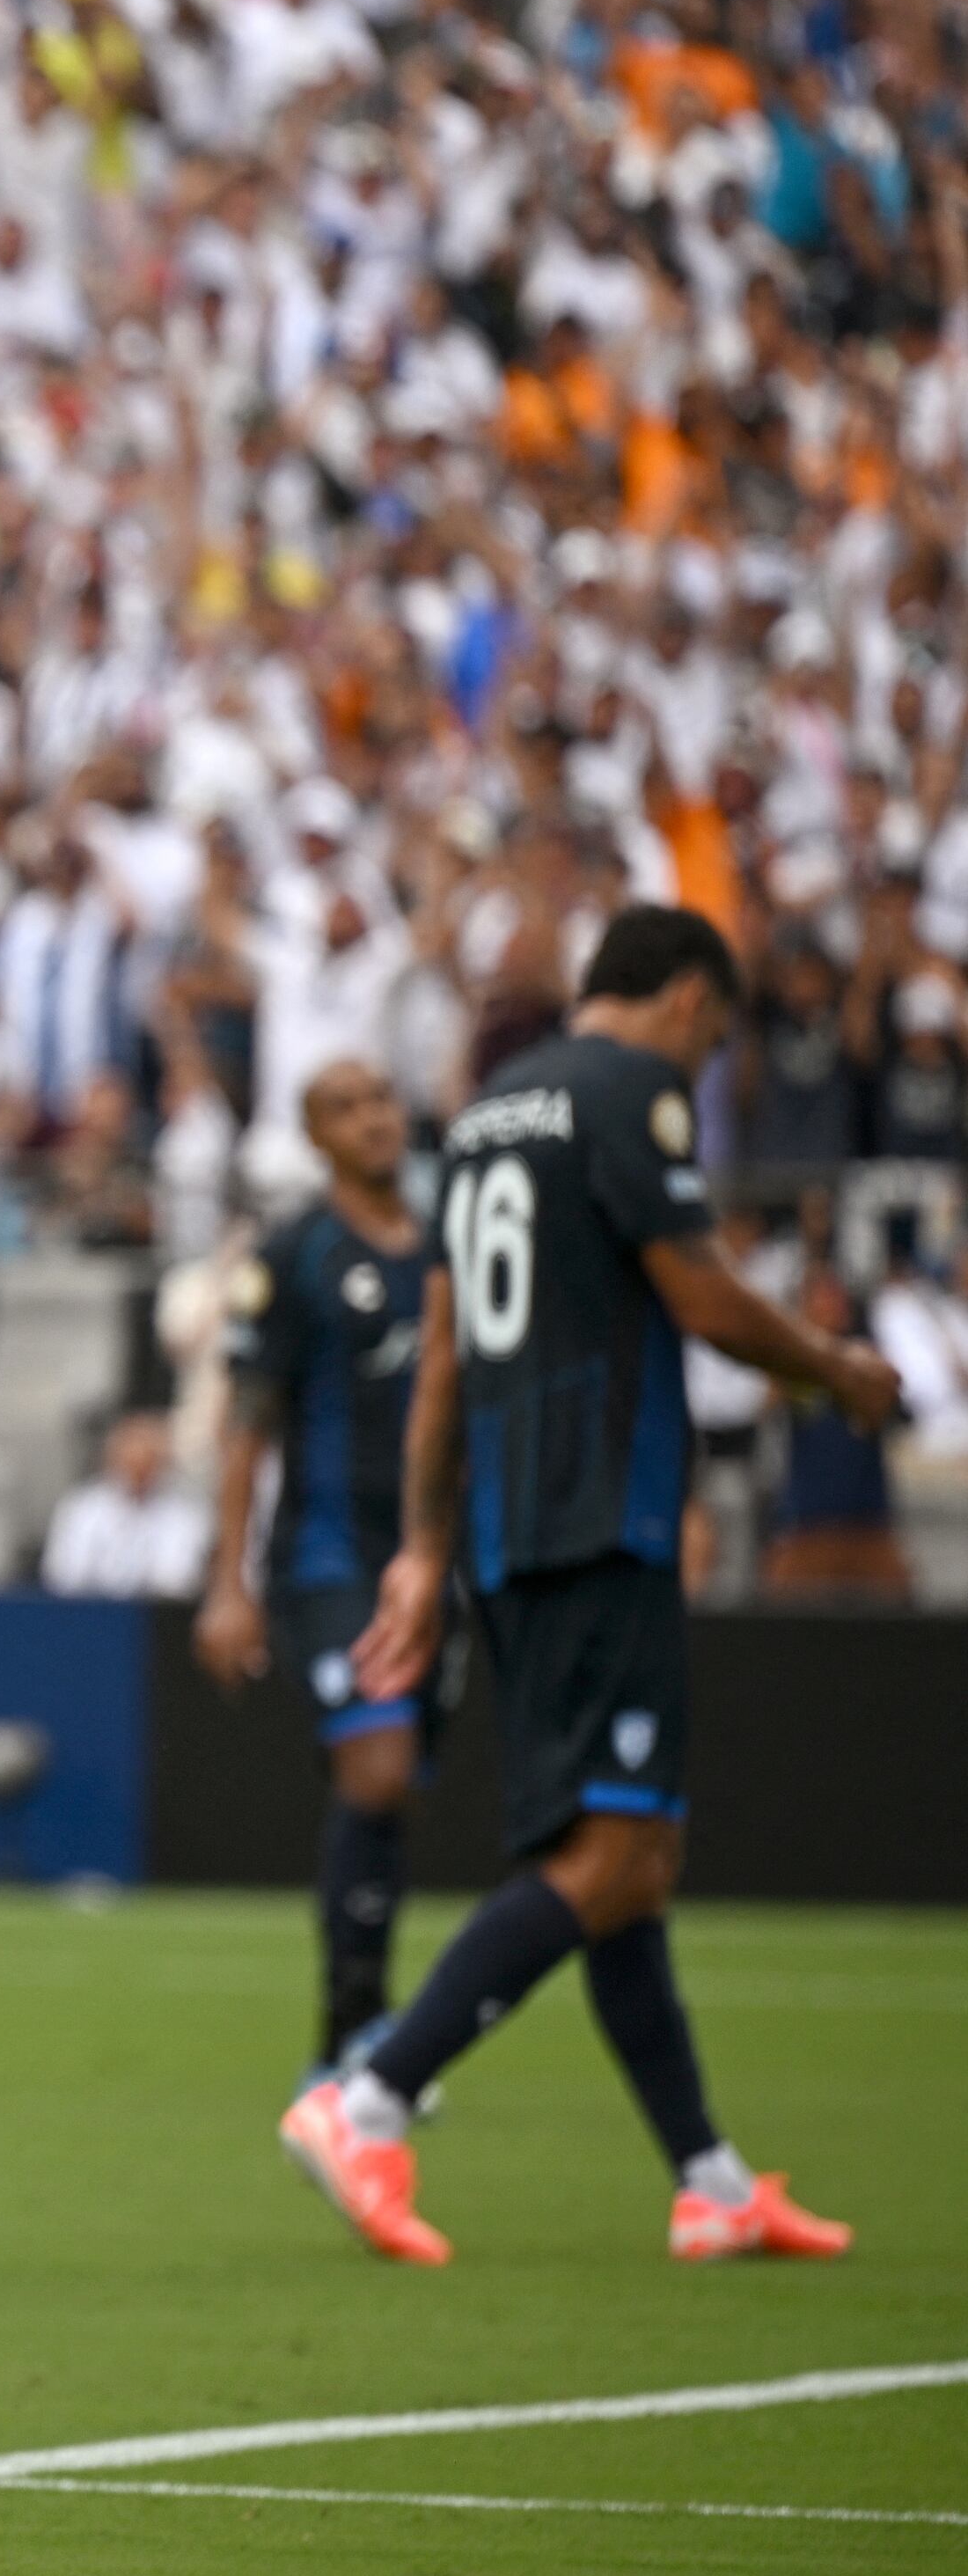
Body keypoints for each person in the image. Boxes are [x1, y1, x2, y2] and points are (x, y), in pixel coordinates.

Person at [309, 907, 906, 2267]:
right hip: (606, 1512)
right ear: (688, 998)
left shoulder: (483, 1117)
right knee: (619, 1854)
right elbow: (695, 1294)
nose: (704, 1060)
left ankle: (707, 2175)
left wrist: (422, 1542)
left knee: (625, 1863)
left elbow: (447, 1355)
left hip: (511, 1534)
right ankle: (371, 2094)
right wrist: (838, 1368)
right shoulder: (629, 1092)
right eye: (712, 1034)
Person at [195, 1060, 444, 2083]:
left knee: (393, 1787)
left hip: (434, 1558)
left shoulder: (447, 1246)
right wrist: (226, 1581)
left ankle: (371, 2027)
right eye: (345, 1107)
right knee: (375, 1766)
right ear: (314, 1136)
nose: (373, 1119)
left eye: (381, 1099)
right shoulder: (294, 1252)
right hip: (329, 1555)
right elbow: (245, 1427)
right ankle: (342, 2042)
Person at [38, 1410, 205, 1596]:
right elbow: (64, 1574)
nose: (139, 1473)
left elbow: (177, 1580)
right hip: (88, 1614)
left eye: (149, 1463)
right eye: (131, 1463)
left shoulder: (185, 1514)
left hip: (157, 1617)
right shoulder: (81, 1508)